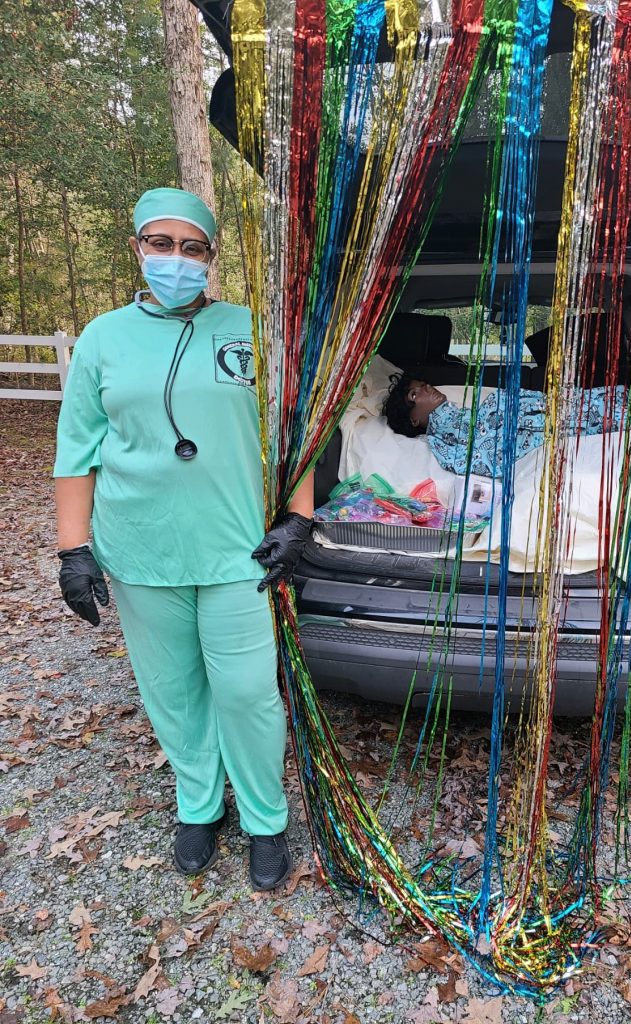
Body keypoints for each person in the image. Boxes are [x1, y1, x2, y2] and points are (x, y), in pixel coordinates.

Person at [53, 187, 314, 891]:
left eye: (191, 247)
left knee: (248, 693)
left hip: (237, 551)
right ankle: (198, 805)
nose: (175, 259)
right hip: (139, 550)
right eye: (160, 244)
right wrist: (73, 550)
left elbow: (295, 433)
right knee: (173, 691)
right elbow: (76, 451)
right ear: (137, 247)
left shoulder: (252, 330)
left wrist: (300, 518)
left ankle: (265, 819)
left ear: (210, 256)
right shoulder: (104, 337)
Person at [382, 373, 626, 478]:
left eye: (423, 384)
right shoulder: (438, 441)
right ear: (413, 419)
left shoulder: (458, 411)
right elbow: (485, 462)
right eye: (415, 395)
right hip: (548, 427)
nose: (425, 388)